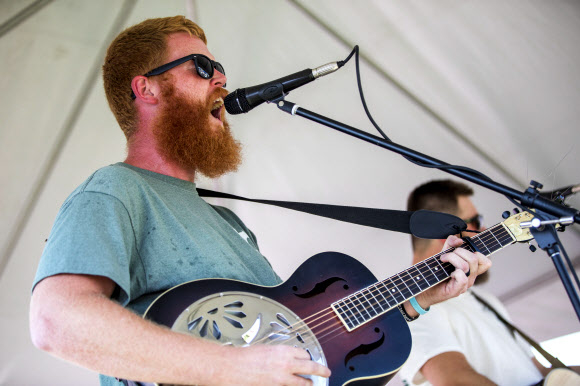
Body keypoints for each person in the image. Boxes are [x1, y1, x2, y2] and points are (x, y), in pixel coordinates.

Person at [29, 16, 490, 386]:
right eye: (202, 67)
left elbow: (304, 336)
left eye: (220, 67)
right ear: (146, 89)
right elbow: (57, 321)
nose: (223, 79)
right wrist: (232, 369)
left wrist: (416, 299)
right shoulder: (115, 190)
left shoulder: (227, 222)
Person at [399, 179, 552, 386]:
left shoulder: (486, 299)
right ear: (442, 231)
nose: (485, 229)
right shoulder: (407, 307)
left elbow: (537, 371)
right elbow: (457, 381)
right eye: (476, 221)